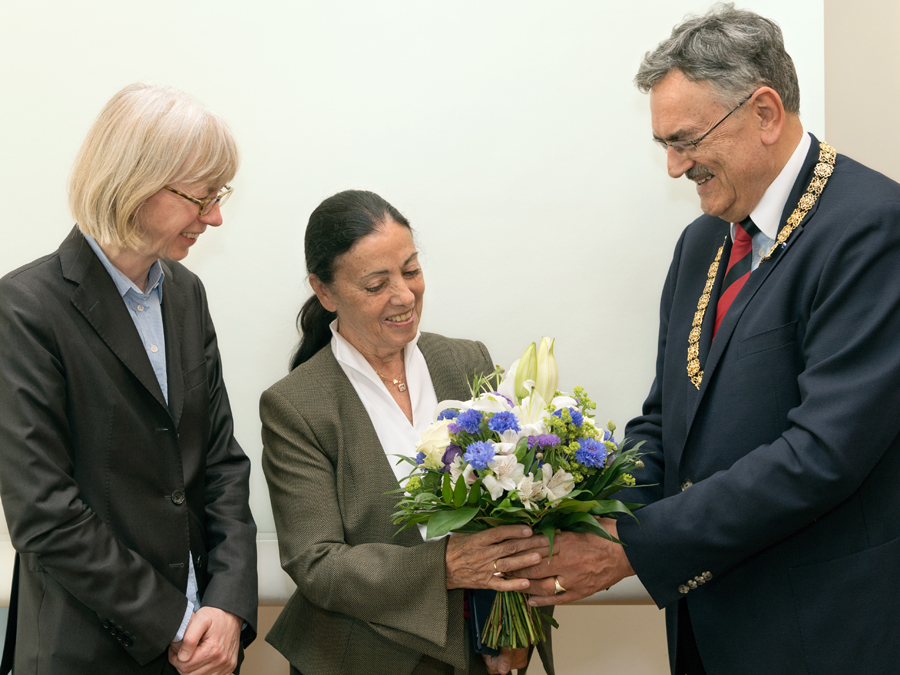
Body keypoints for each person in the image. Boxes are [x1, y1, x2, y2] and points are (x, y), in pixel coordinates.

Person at [514, 4, 900, 674]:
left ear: (766, 113)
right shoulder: (701, 243)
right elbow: (664, 420)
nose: (673, 167)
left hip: (822, 635)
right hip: (705, 632)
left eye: (686, 140)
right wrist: (585, 519)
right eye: (665, 144)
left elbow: (821, 455)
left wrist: (634, 545)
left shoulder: (872, 229)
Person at [0, 83, 258, 675]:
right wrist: (173, 621)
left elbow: (219, 461)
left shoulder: (187, 294)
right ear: (137, 184)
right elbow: (45, 511)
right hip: (90, 647)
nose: (214, 217)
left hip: (207, 644)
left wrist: (226, 603)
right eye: (201, 198)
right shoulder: (25, 308)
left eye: (220, 196)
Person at [260, 190, 554, 675]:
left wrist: (517, 627)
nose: (404, 295)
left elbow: (522, 503)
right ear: (325, 291)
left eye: (411, 270)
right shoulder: (296, 405)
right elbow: (317, 563)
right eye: (376, 284)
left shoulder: (468, 363)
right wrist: (443, 565)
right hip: (362, 658)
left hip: (480, 653)